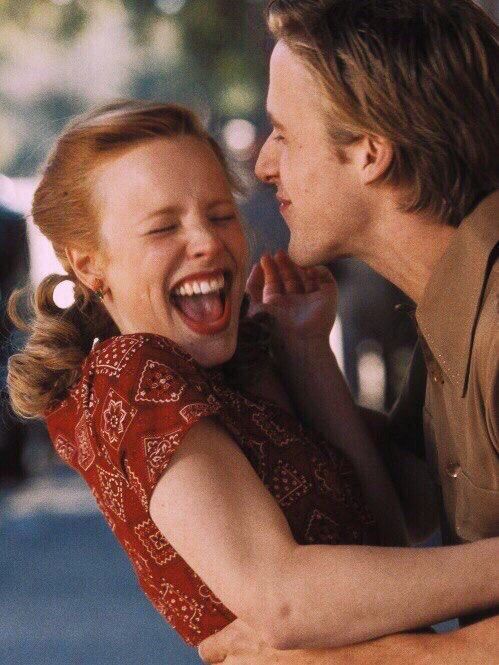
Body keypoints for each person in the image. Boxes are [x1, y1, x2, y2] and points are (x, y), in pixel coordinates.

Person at [7, 101, 498, 660]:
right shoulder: (132, 373)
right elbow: (284, 601)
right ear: (90, 264)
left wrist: (307, 354)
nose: (208, 242)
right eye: (164, 227)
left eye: (219, 215)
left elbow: (384, 538)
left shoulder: (231, 373)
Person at [198, 0, 499, 662]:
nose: (264, 166)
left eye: (283, 134)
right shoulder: (453, 302)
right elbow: (409, 508)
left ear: (368, 149)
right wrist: (305, 360)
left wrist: (347, 659)